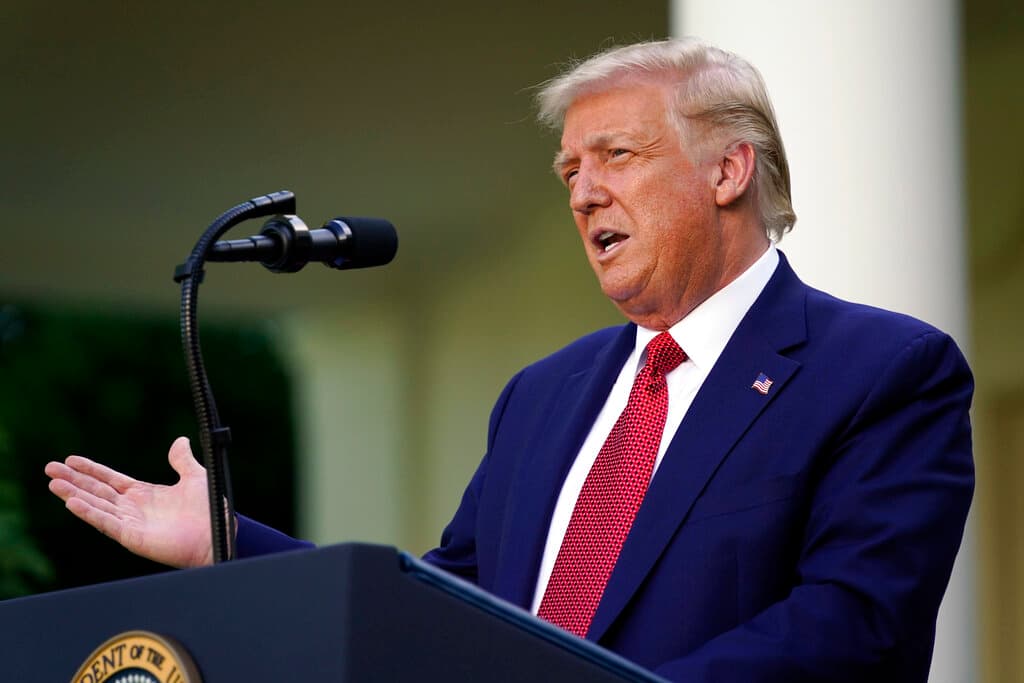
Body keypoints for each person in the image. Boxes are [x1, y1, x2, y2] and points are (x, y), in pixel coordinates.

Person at [46, 38, 973, 682]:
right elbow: (443, 607)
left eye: (616, 155)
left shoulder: (882, 370)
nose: (584, 194)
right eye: (569, 172)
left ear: (729, 171)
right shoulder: (546, 394)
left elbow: (852, 629)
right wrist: (230, 543)